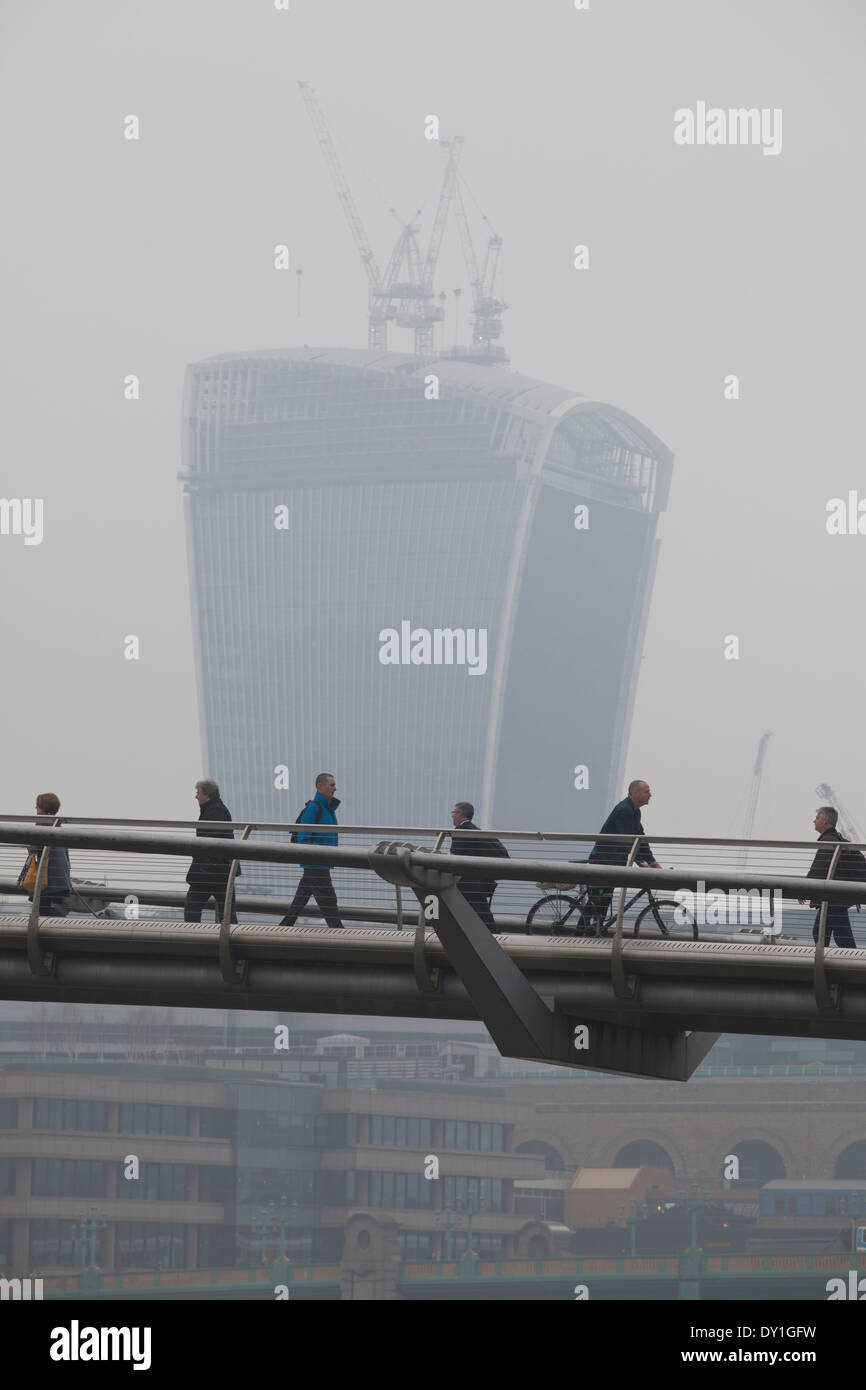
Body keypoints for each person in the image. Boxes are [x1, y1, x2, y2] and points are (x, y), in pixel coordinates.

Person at [583, 780, 661, 927]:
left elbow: (640, 838)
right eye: (647, 791)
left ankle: (591, 930)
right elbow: (628, 840)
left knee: (604, 898)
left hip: (612, 862)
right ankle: (583, 931)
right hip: (603, 860)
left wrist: (652, 861)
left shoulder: (635, 811)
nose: (650, 795)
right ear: (635, 793)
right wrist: (641, 862)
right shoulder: (624, 810)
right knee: (598, 898)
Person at [280, 774, 343, 930]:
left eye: (335, 785)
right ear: (320, 786)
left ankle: (284, 927)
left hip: (320, 863)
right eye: (331, 785)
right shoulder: (314, 807)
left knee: (300, 899)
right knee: (328, 899)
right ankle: (339, 933)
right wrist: (314, 857)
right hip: (317, 863)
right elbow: (303, 837)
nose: (335, 788)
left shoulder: (329, 809)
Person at [799, 806, 858, 949]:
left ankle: (851, 965)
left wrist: (802, 890)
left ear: (825, 821)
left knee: (838, 936)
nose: (814, 821)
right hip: (836, 897)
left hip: (833, 898)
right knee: (827, 933)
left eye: (817, 818)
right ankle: (825, 963)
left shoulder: (828, 841)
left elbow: (818, 869)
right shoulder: (837, 839)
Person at [184, 780, 238, 923]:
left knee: (192, 907)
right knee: (227, 912)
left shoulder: (214, 811)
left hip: (209, 871)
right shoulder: (216, 809)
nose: (196, 796)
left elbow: (211, 841)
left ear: (206, 795)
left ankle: (192, 938)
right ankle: (229, 940)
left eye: (198, 793)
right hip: (221, 871)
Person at [449, 802, 508, 931]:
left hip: (468, 886)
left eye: (453, 813)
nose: (452, 816)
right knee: (483, 919)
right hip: (479, 884)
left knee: (484, 923)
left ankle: (498, 943)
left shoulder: (461, 832)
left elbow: (455, 857)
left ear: (460, 814)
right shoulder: (476, 830)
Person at [17, 793, 71, 916]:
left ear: (43, 807)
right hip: (60, 880)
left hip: (47, 881)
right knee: (55, 912)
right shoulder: (58, 825)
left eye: (38, 805)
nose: (35, 807)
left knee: (42, 913)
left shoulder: (42, 824)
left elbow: (34, 849)